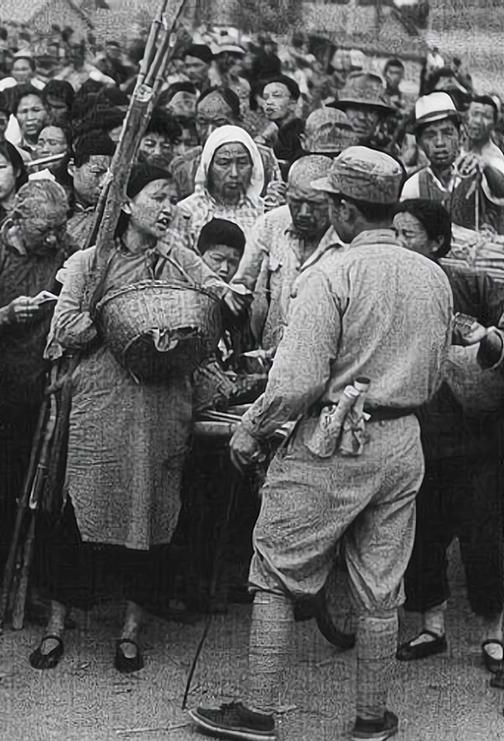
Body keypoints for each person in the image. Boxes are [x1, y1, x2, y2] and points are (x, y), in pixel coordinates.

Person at [189, 147, 453, 741]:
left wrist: (251, 429)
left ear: (346, 210)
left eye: (332, 201)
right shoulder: (431, 274)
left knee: (278, 568)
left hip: (335, 436)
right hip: (402, 437)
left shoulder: (335, 273)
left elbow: (297, 379)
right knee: (381, 584)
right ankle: (369, 718)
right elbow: (435, 374)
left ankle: (258, 712)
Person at [35, 165, 227, 673]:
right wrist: (113, 316)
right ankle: (56, 626)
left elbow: (211, 309)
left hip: (162, 406)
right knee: (81, 511)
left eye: (173, 200)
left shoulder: (181, 262)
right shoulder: (89, 264)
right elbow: (64, 327)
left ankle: (131, 630)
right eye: (157, 198)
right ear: (125, 203)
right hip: (102, 404)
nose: (167, 209)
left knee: (151, 512)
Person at [391, 198, 504, 675]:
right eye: (394, 233)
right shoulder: (389, 285)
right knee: (423, 535)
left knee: (484, 536)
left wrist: (487, 340)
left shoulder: (470, 283)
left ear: (437, 242)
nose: (398, 243)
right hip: (415, 432)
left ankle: (493, 633)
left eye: (408, 234)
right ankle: (432, 626)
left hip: (476, 436)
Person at [0, 180, 71, 623]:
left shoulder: (63, 252)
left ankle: (34, 589)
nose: (55, 238)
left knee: (43, 503)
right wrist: (6, 316)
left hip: (48, 400)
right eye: (45, 229)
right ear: (17, 220)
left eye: (59, 228)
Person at [233, 155, 344, 352]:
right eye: (296, 201)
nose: (303, 212)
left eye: (315, 204)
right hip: (268, 355)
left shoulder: (347, 239)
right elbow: (242, 286)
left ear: (333, 200)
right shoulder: (269, 225)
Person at [402, 93, 504, 233]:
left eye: (447, 133)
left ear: (461, 135)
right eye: (430, 135)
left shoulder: (478, 172)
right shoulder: (413, 187)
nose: (439, 142)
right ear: (419, 142)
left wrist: (486, 168)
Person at [166, 125, 266, 256]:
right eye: (224, 163)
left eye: (242, 163)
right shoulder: (185, 212)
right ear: (208, 167)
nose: (234, 173)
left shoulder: (262, 212)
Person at [169, 87, 282, 201]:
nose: (210, 132)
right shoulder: (183, 166)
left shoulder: (263, 159)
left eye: (219, 123)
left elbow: (274, 200)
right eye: (202, 122)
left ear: (238, 121)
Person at [63, 129, 115, 248]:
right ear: (72, 168)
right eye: (97, 172)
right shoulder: (55, 206)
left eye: (109, 175)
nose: (104, 183)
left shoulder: (115, 213)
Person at [253, 74, 305, 179]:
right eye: (265, 97)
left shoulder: (302, 133)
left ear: (292, 104)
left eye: (277, 96)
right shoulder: (273, 132)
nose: (269, 102)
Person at [328, 72, 397, 151]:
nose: (362, 117)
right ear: (342, 112)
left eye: (371, 111)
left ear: (379, 119)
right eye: (355, 108)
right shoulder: (324, 151)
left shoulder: (383, 159)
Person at [12, 85, 49, 157]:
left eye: (36, 110)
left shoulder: (60, 146)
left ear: (47, 112)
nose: (30, 117)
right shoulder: (13, 152)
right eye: (24, 111)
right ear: (15, 115)